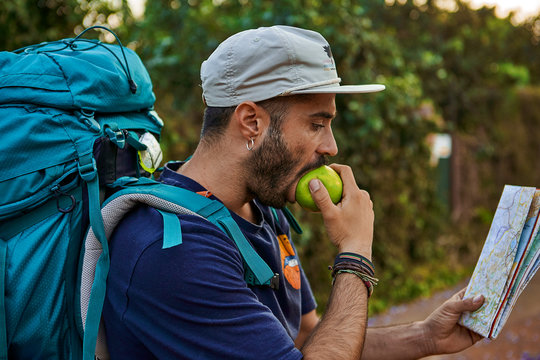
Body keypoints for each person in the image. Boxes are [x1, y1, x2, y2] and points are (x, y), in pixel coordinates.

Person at [103, 25, 484, 359]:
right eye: (317, 124)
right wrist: (355, 255)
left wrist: (425, 337)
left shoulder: (262, 208)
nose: (331, 147)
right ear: (251, 121)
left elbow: (303, 337)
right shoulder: (172, 250)